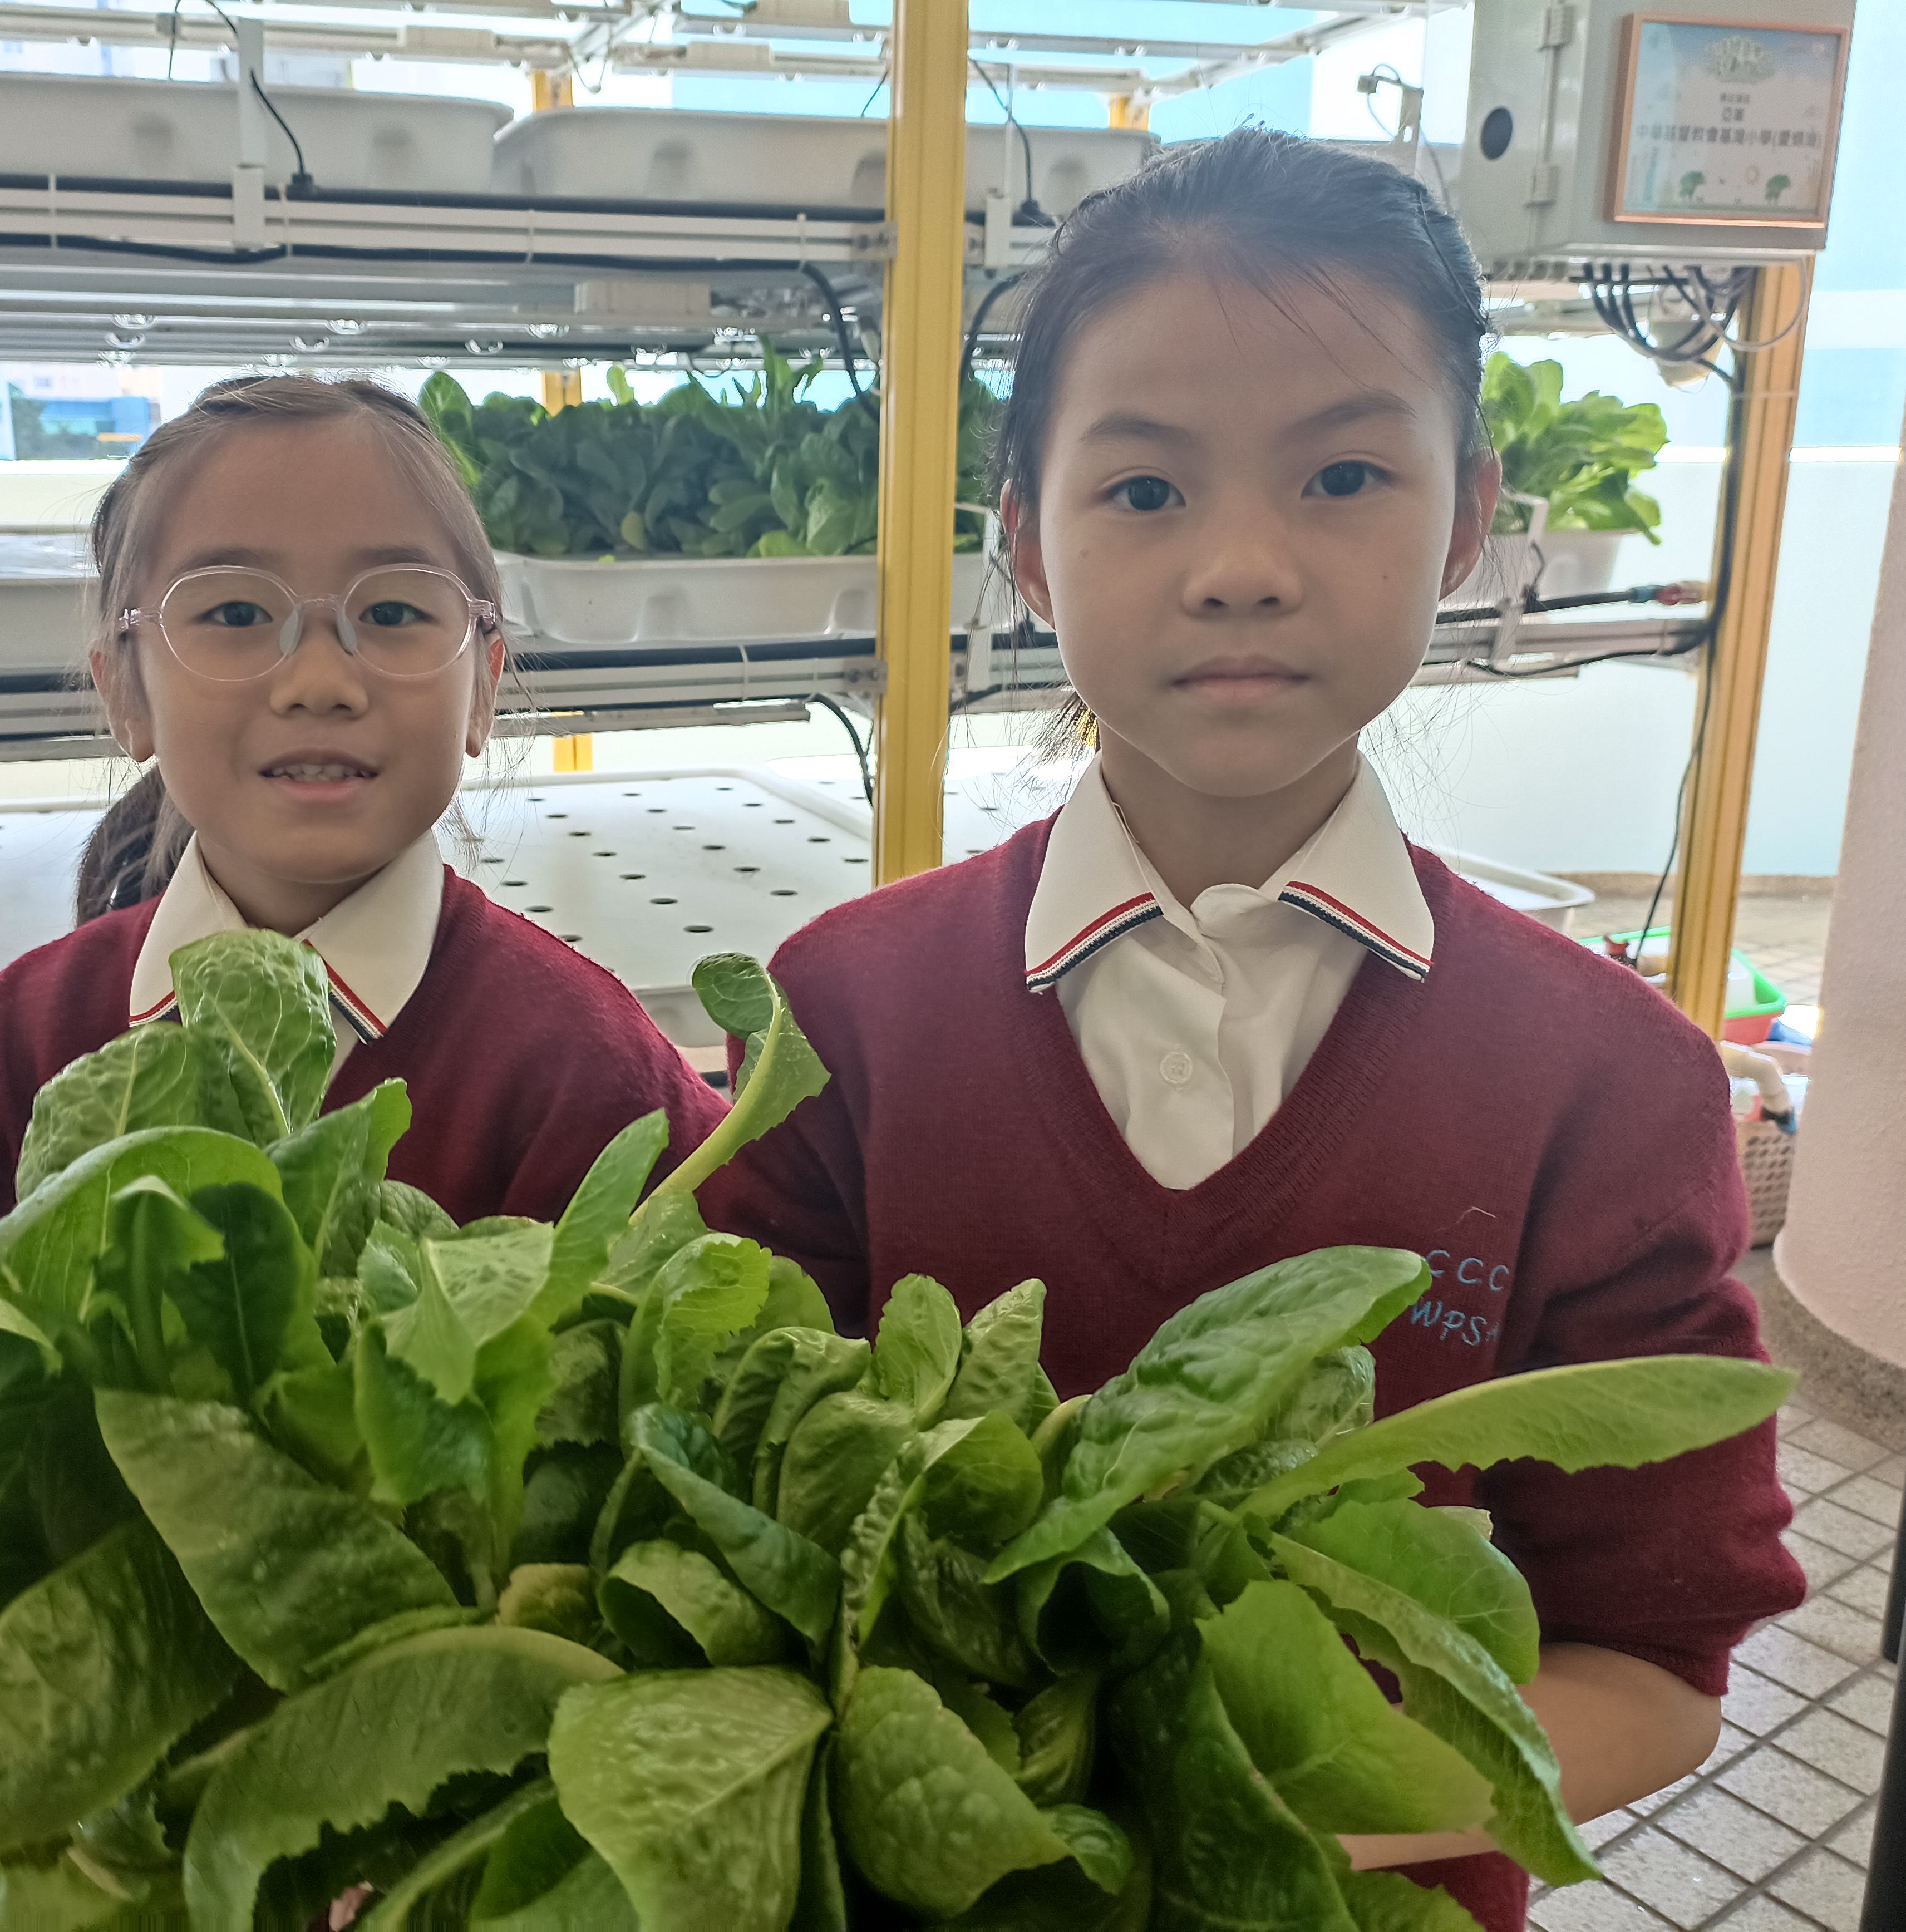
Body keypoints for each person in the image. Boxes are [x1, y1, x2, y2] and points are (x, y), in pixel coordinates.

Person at [697, 130, 1801, 1926]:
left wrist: (1234, 1823)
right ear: (1023, 543)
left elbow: (1655, 1660)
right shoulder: (845, 1016)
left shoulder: (1609, 1081)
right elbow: (723, 1531)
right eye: (1143, 489)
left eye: (1343, 474)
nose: (1240, 566)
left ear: (1466, 518)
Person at [0, 374, 724, 1305]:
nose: (321, 681)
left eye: (396, 611)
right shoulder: (17, 1045)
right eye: (232, 614)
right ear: (125, 695)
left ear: (484, 686)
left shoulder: (587, 1073)